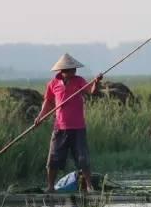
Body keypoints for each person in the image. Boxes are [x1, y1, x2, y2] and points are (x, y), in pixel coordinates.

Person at [35, 53, 102, 193]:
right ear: (62, 71)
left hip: (78, 128)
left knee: (83, 158)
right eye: (70, 70)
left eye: (74, 69)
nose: (73, 72)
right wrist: (40, 117)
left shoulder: (79, 81)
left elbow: (92, 91)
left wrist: (96, 82)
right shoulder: (53, 84)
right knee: (53, 159)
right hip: (60, 128)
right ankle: (50, 187)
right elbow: (47, 103)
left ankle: (89, 186)